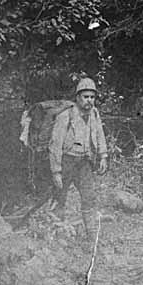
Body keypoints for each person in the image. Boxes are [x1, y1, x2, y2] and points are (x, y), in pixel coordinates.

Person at [49, 77, 108, 240]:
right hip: (67, 161)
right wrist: (56, 171)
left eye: (92, 97)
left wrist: (103, 156)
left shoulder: (94, 114)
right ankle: (55, 233)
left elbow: (99, 134)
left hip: (84, 163)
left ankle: (92, 236)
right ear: (78, 98)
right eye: (85, 97)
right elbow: (55, 144)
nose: (89, 101)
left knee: (89, 197)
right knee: (59, 197)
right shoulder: (65, 116)